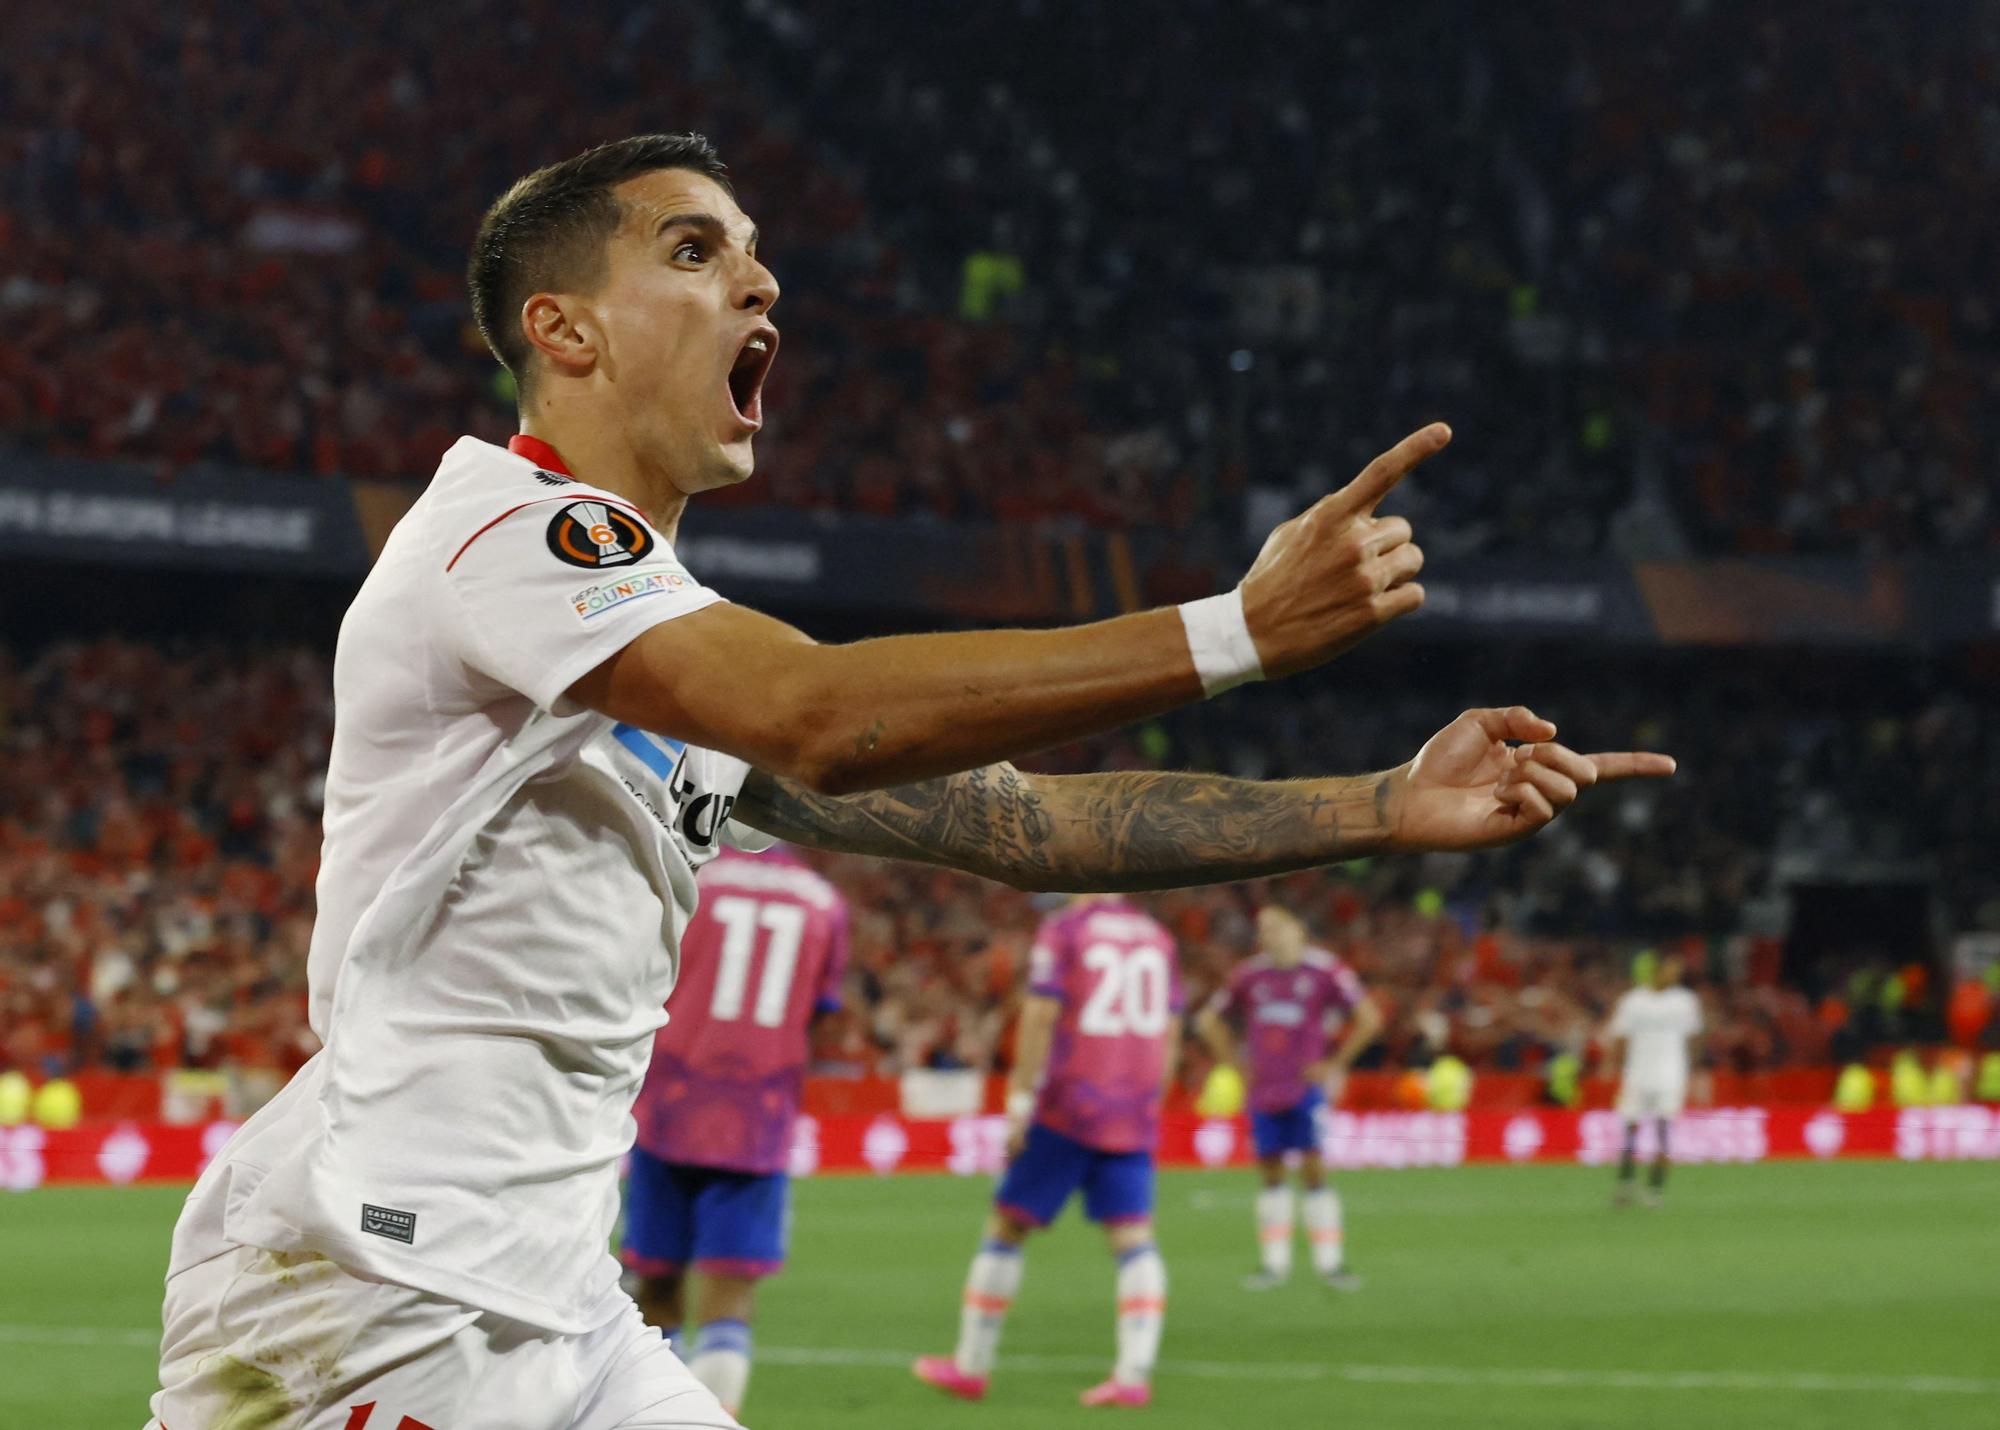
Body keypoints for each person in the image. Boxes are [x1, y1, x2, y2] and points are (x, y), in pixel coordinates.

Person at [146, 132, 1673, 1430]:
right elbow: (815, 709)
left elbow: (1030, 824)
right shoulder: (513, 531)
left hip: (548, 1297)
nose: (759, 281)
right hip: (376, 1287)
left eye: (755, 254)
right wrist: (1231, 631)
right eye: (694, 250)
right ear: (567, 330)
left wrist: (1377, 804)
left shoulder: (652, 640)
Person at [913, 895, 1182, 1408]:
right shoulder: (1156, 935)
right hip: (1132, 1107)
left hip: (1069, 1103)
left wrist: (1019, 1100)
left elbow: (1039, 1013)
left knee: (1007, 1224)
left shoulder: (1067, 930)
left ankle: (971, 1366)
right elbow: (1170, 1029)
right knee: (1132, 1236)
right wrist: (1151, 1099)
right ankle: (1132, 1376)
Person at [621, 843, 849, 1419]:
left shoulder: (692, 874)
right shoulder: (824, 902)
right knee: (729, 1294)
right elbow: (822, 1016)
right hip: (758, 1116)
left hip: (668, 1104)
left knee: (654, 1291)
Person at [1198, 904, 1381, 1290]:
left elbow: (1369, 1017)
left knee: (1314, 1170)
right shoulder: (1249, 976)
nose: (1268, 936)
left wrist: (1334, 1063)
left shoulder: (1325, 971)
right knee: (1271, 1173)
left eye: (1276, 927)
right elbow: (1207, 1021)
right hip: (1263, 1089)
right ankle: (1273, 1265)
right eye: (1262, 929)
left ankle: (1330, 1264)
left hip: (1305, 1088)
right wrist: (1235, 1064)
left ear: (1298, 928)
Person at [1602, 953, 1703, 1208]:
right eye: (1669, 970)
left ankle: (1655, 1189)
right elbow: (1620, 1036)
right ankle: (1626, 1183)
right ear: (1656, 971)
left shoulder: (1685, 1001)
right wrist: (1612, 1065)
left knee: (1663, 1130)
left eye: (1677, 971)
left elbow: (1694, 1038)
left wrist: (1698, 1070)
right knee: (1630, 1128)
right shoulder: (1634, 1001)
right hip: (1638, 1073)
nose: (1674, 976)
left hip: (1671, 1075)